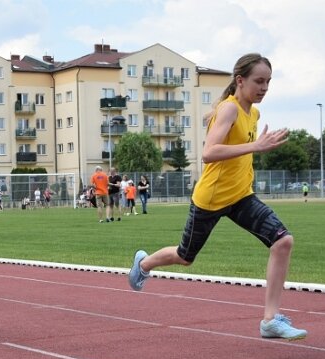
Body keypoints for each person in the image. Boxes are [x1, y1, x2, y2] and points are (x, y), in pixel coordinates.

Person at [128, 53, 305, 340]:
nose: (264, 88)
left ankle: (270, 320)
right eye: (259, 81)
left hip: (241, 197)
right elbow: (209, 153)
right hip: (210, 199)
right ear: (240, 80)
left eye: (268, 82)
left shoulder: (254, 113)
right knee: (185, 257)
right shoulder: (229, 109)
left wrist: (253, 152)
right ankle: (144, 263)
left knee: (283, 241)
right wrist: (256, 147)